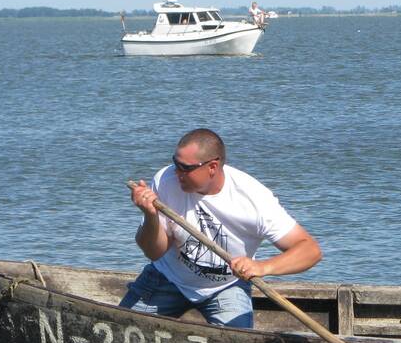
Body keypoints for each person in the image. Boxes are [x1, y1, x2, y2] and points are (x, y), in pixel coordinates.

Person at [123, 129, 322, 328]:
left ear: (212, 167)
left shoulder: (254, 198)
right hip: (167, 277)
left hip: (226, 286)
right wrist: (150, 215)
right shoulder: (165, 181)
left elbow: (310, 250)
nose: (177, 173)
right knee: (121, 327)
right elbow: (153, 251)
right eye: (175, 163)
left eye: (185, 168)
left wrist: (262, 267)